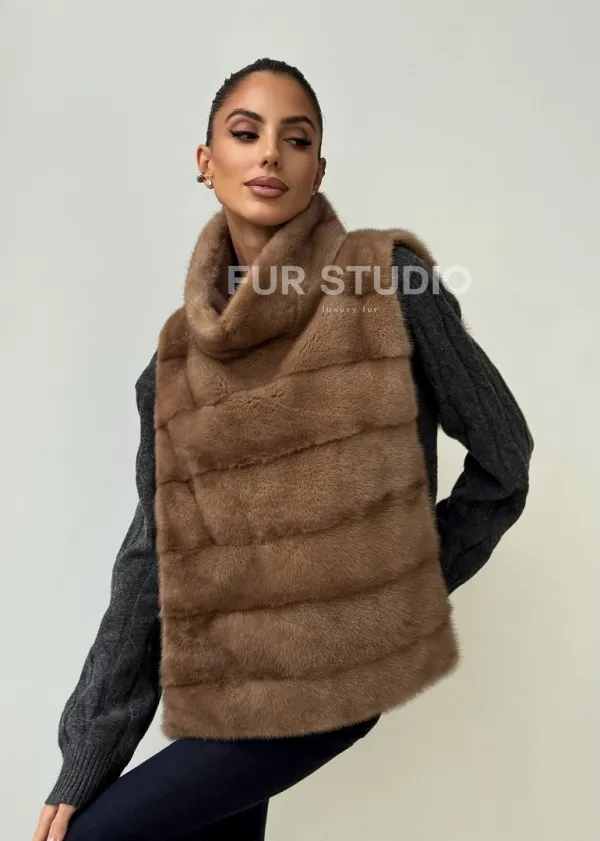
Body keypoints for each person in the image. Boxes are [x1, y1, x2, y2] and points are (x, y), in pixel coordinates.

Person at [33, 57, 534, 841]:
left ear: (317, 169)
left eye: (296, 140)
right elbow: (149, 562)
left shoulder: (389, 284)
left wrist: (392, 591)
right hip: (223, 687)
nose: (270, 152)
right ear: (206, 162)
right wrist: (89, 753)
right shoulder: (174, 361)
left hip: (328, 683)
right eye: (246, 133)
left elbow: (505, 458)